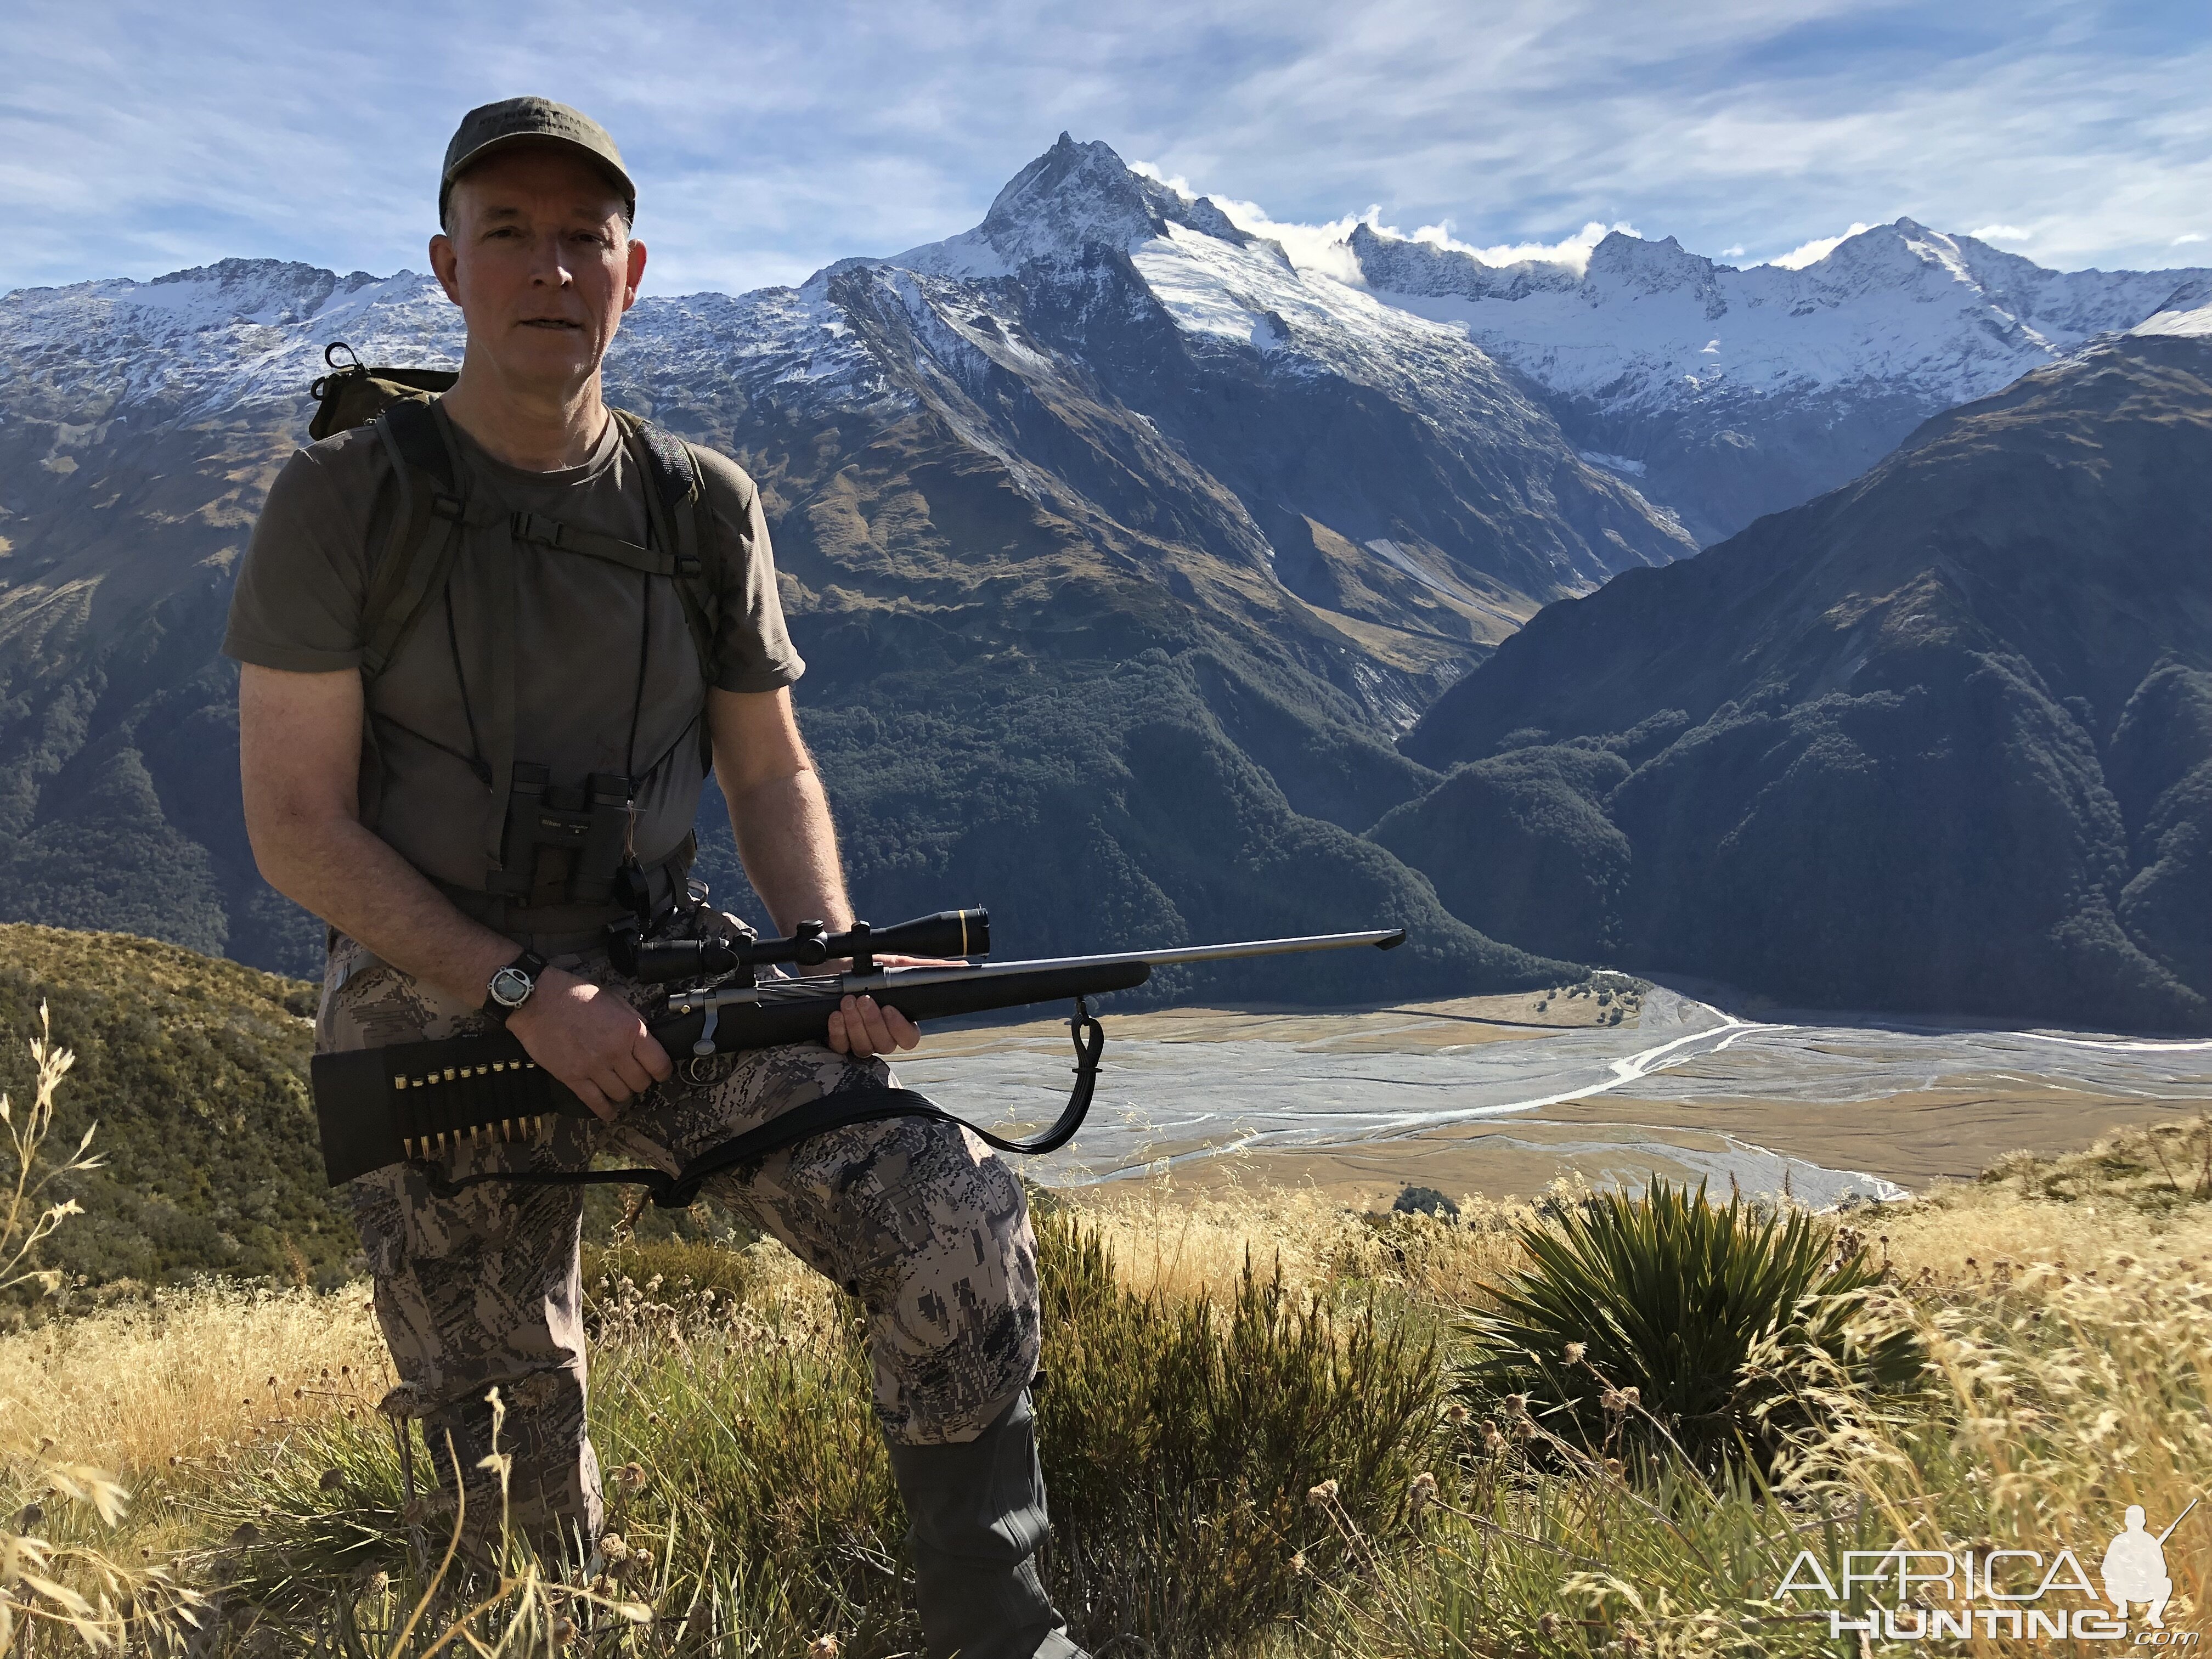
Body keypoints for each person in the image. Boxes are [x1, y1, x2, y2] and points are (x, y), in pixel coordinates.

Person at [225, 96, 1080, 1659]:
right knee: (503, 1459)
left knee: (952, 1219)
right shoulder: (345, 503)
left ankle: (1001, 1633)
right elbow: (296, 825)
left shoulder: (701, 509)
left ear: (632, 273)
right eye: (510, 235)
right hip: (431, 1011)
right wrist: (515, 988)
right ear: (447, 268)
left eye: (582, 238)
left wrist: (827, 954)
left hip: (672, 973)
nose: (550, 268)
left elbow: (770, 771)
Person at [2101, 1505, 2172, 1628]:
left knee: (2167, 1583)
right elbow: (2106, 1569)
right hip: (2122, 1590)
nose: (2135, 1524)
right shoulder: (2119, 1542)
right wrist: (2124, 1572)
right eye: (2132, 1520)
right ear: (2126, 1522)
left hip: (2145, 1589)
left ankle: (2154, 1615)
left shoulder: (2150, 1541)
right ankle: (2122, 1607)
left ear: (2144, 1522)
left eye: (2138, 1521)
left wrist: (2147, 1570)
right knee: (2111, 1583)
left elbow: (2162, 1570)